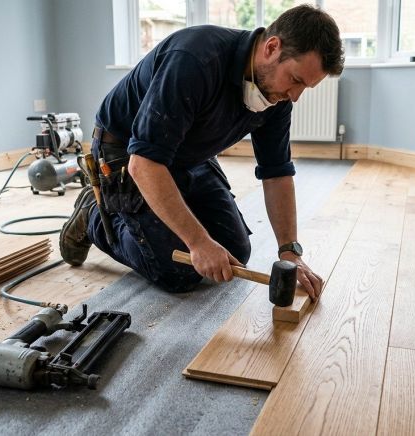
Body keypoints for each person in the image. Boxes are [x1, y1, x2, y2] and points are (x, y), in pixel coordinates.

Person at [60, 4, 344, 300]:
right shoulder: (194, 59)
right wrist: (198, 242)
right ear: (272, 48)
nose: (294, 96)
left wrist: (290, 252)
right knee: (177, 270)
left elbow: (277, 173)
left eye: (305, 87)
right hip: (127, 152)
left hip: (187, 153)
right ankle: (94, 215)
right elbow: (144, 164)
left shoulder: (277, 95)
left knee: (233, 253)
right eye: (296, 80)